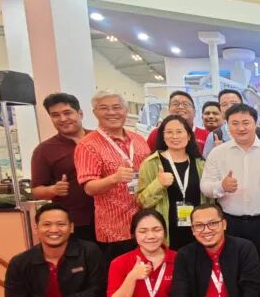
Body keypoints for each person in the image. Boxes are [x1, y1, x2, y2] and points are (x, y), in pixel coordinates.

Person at [201, 103, 260, 265]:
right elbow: (205, 186)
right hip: (230, 223)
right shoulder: (218, 153)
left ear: (256, 123)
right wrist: (221, 186)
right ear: (227, 126)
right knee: (233, 268)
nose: (241, 128)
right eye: (235, 123)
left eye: (246, 123)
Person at [75, 90, 149, 261]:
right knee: (121, 273)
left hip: (145, 223)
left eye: (117, 107)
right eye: (104, 108)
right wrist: (114, 179)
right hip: (114, 229)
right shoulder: (87, 145)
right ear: (95, 112)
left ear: (125, 110)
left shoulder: (139, 140)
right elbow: (89, 188)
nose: (111, 112)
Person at [136, 115, 209, 250]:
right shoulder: (151, 163)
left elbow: (209, 201)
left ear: (188, 136)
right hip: (167, 234)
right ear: (163, 136)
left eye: (179, 132)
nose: (174, 136)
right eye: (169, 132)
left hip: (198, 231)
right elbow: (141, 202)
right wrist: (158, 184)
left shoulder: (200, 163)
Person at [31, 93, 96, 244]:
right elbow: (36, 191)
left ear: (80, 113)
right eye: (55, 115)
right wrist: (53, 190)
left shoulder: (100, 140)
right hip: (74, 223)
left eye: (67, 113)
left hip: (110, 219)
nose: (62, 119)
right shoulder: (44, 150)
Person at [202, 89, 260, 157]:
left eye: (234, 103)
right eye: (224, 104)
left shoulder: (259, 133)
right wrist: (217, 153)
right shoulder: (214, 137)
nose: (229, 107)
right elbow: (206, 162)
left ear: (242, 105)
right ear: (220, 109)